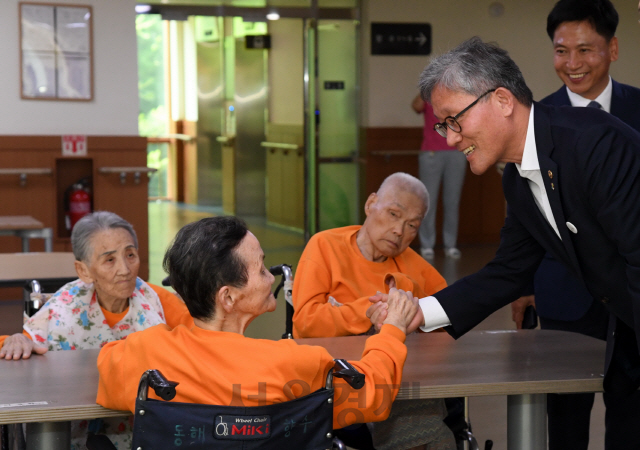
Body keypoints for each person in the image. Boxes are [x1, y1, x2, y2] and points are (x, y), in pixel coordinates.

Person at [367, 36, 640, 432]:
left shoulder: (594, 144)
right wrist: (414, 312)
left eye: (454, 121)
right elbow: (508, 272)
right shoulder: (516, 180)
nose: (450, 138)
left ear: (501, 100)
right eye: (442, 125)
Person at [96, 216, 417, 434]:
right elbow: (375, 393)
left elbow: (108, 359)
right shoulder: (297, 363)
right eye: (261, 268)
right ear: (229, 298)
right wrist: (391, 328)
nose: (270, 277)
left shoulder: (144, 353)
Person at [509, 1, 640, 449]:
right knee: (565, 417)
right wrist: (523, 284)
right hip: (565, 292)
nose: (573, 64)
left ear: (613, 48)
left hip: (631, 293)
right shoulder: (536, 119)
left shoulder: (638, 108)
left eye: (586, 50)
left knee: (632, 413)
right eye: (562, 51)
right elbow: (523, 216)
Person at [0, 211, 193, 450]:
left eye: (130, 255)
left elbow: (202, 339)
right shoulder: (63, 307)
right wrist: (15, 340)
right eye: (109, 260)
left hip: (143, 427)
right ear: (84, 271)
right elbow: (24, 346)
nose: (125, 269)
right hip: (70, 429)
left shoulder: (157, 300)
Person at [293, 172, 457, 450]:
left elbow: (446, 340)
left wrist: (406, 322)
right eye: (393, 214)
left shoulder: (421, 272)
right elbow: (306, 323)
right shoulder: (325, 246)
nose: (399, 231)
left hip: (400, 379)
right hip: (339, 377)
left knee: (417, 412)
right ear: (371, 205)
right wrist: (367, 313)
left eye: (412, 226)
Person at [412, 96, 467, 260]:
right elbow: (415, 107)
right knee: (429, 199)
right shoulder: (429, 96)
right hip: (431, 152)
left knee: (452, 200)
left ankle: (450, 244)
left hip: (456, 151)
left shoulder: (459, 95)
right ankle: (427, 245)